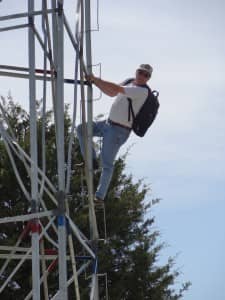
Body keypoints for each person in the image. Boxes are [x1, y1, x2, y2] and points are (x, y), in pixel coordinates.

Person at [76, 64, 153, 204]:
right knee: (81, 129)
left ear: (148, 78)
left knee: (107, 164)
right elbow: (112, 92)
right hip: (108, 123)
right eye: (140, 72)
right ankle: (91, 160)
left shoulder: (143, 91)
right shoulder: (130, 81)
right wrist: (95, 82)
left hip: (119, 131)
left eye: (146, 75)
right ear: (136, 71)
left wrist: (96, 79)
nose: (142, 76)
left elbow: (117, 89)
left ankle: (100, 195)